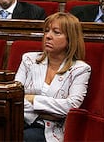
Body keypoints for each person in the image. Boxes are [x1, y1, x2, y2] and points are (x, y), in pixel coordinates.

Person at [15, 12, 91, 142]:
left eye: (56, 32)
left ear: (70, 39)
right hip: (21, 121)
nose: (48, 36)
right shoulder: (29, 59)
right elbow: (15, 97)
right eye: (46, 31)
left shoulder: (80, 69)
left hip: (52, 130)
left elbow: (71, 107)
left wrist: (33, 98)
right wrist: (42, 115)